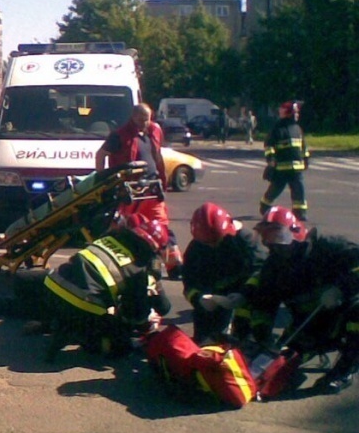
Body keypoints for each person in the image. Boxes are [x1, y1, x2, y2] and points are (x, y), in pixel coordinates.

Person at [237, 207, 359, 395]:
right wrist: (264, 337)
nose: (276, 248)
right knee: (283, 361)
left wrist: (340, 289)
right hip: (308, 323)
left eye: (279, 241)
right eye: (270, 243)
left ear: (296, 233)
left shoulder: (327, 247)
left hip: (343, 313)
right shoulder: (274, 266)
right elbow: (264, 304)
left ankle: (344, 370)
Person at [42, 218, 173, 358]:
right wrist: (146, 319)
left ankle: (62, 326)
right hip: (81, 305)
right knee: (121, 345)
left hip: (52, 287)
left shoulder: (110, 237)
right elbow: (134, 314)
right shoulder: (138, 269)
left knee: (92, 303)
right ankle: (88, 339)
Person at [95, 103, 184, 280]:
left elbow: (157, 155)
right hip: (131, 192)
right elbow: (101, 155)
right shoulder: (120, 135)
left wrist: (162, 179)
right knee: (131, 228)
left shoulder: (154, 131)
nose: (145, 123)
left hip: (152, 188)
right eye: (141, 119)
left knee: (162, 226)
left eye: (148, 119)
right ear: (133, 117)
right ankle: (138, 265)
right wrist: (104, 179)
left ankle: (174, 266)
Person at [182, 202, 267, 344]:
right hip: (214, 298)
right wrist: (199, 299)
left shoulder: (245, 240)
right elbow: (189, 283)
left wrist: (245, 294)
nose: (213, 246)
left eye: (216, 240)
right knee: (205, 343)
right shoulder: (195, 249)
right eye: (208, 243)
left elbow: (261, 271)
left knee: (246, 337)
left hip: (244, 292)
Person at [259, 101, 309, 221]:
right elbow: (269, 145)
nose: (297, 115)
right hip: (281, 168)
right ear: (288, 113)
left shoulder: (297, 129)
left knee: (299, 191)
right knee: (275, 189)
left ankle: (299, 212)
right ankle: (265, 206)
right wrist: (271, 160)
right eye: (295, 112)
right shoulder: (277, 128)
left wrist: (306, 158)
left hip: (297, 169)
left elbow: (303, 146)